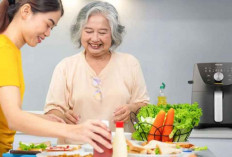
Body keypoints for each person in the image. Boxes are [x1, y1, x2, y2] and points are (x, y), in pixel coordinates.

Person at [0, 0, 112, 155]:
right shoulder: (4, 50)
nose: (48, 33)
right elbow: (14, 119)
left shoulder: (10, 50)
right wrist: (73, 131)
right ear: (26, 11)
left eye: (51, 28)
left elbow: (4, 114)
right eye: (48, 24)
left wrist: (43, 119)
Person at [44, 1, 150, 144]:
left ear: (113, 34)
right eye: (88, 31)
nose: (95, 38)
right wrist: (63, 115)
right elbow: (52, 111)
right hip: (75, 149)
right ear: (79, 32)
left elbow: (143, 105)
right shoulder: (65, 66)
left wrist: (132, 108)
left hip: (119, 147)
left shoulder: (130, 63)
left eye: (102, 32)